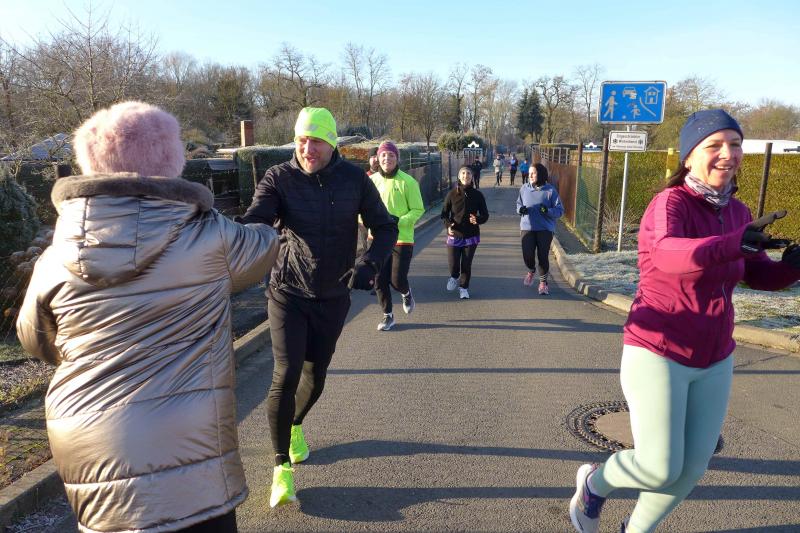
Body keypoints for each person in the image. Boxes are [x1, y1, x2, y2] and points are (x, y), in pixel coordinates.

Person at [16, 101, 279, 533]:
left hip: (88, 438)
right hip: (188, 441)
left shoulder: (54, 257)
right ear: (170, 162)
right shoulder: (212, 236)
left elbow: (35, 340)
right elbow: (266, 245)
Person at [569, 109, 800, 533]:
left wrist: (791, 267)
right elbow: (668, 255)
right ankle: (594, 485)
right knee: (658, 467)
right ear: (689, 156)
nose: (728, 154)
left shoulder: (737, 212)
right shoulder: (669, 204)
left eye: (735, 144)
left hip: (715, 357)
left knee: (692, 468)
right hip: (658, 350)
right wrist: (733, 244)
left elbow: (756, 274)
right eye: (715, 145)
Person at [239, 107, 398, 507]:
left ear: (331, 143)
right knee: (286, 372)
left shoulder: (354, 180)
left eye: (316, 141)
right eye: (301, 140)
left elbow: (385, 227)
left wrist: (369, 263)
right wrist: (242, 236)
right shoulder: (279, 177)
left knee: (315, 374)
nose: (307, 149)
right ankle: (281, 469)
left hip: (334, 294)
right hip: (287, 291)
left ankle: (295, 424)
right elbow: (257, 220)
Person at [370, 140, 425, 330]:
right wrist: (363, 219)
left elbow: (418, 209)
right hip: (377, 239)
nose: (387, 158)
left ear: (397, 158)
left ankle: (406, 292)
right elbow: (362, 207)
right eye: (384, 155)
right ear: (378, 158)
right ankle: (388, 316)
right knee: (378, 281)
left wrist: (399, 221)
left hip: (401, 238)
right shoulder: (371, 182)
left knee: (397, 281)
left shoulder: (408, 182)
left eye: (391, 155)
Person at [440, 165, 489, 299]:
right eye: (463, 173)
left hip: (471, 235)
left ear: (472, 177)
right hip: (454, 234)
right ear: (459, 176)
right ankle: (454, 276)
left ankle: (464, 288)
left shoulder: (478, 195)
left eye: (468, 173)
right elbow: (444, 214)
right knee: (453, 264)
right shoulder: (452, 194)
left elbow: (485, 215)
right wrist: (448, 225)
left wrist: (477, 219)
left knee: (466, 264)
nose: (465, 175)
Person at [516, 163, 564, 295]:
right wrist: (521, 210)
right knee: (528, 255)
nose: (530, 176)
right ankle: (531, 270)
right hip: (527, 227)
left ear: (541, 174)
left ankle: (543, 283)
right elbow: (518, 204)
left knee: (543, 256)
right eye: (529, 173)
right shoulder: (524, 188)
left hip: (545, 229)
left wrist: (547, 210)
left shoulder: (550, 191)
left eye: (533, 173)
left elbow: (560, 211)